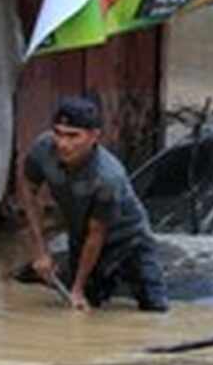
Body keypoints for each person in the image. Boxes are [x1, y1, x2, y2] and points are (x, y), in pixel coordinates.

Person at [18, 95, 169, 313]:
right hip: (81, 235)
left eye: (73, 136)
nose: (63, 144)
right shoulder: (43, 149)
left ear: (94, 137)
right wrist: (40, 250)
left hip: (129, 240)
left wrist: (78, 288)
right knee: (86, 307)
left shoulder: (108, 177)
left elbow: (97, 233)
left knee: (156, 309)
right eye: (58, 133)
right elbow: (28, 191)